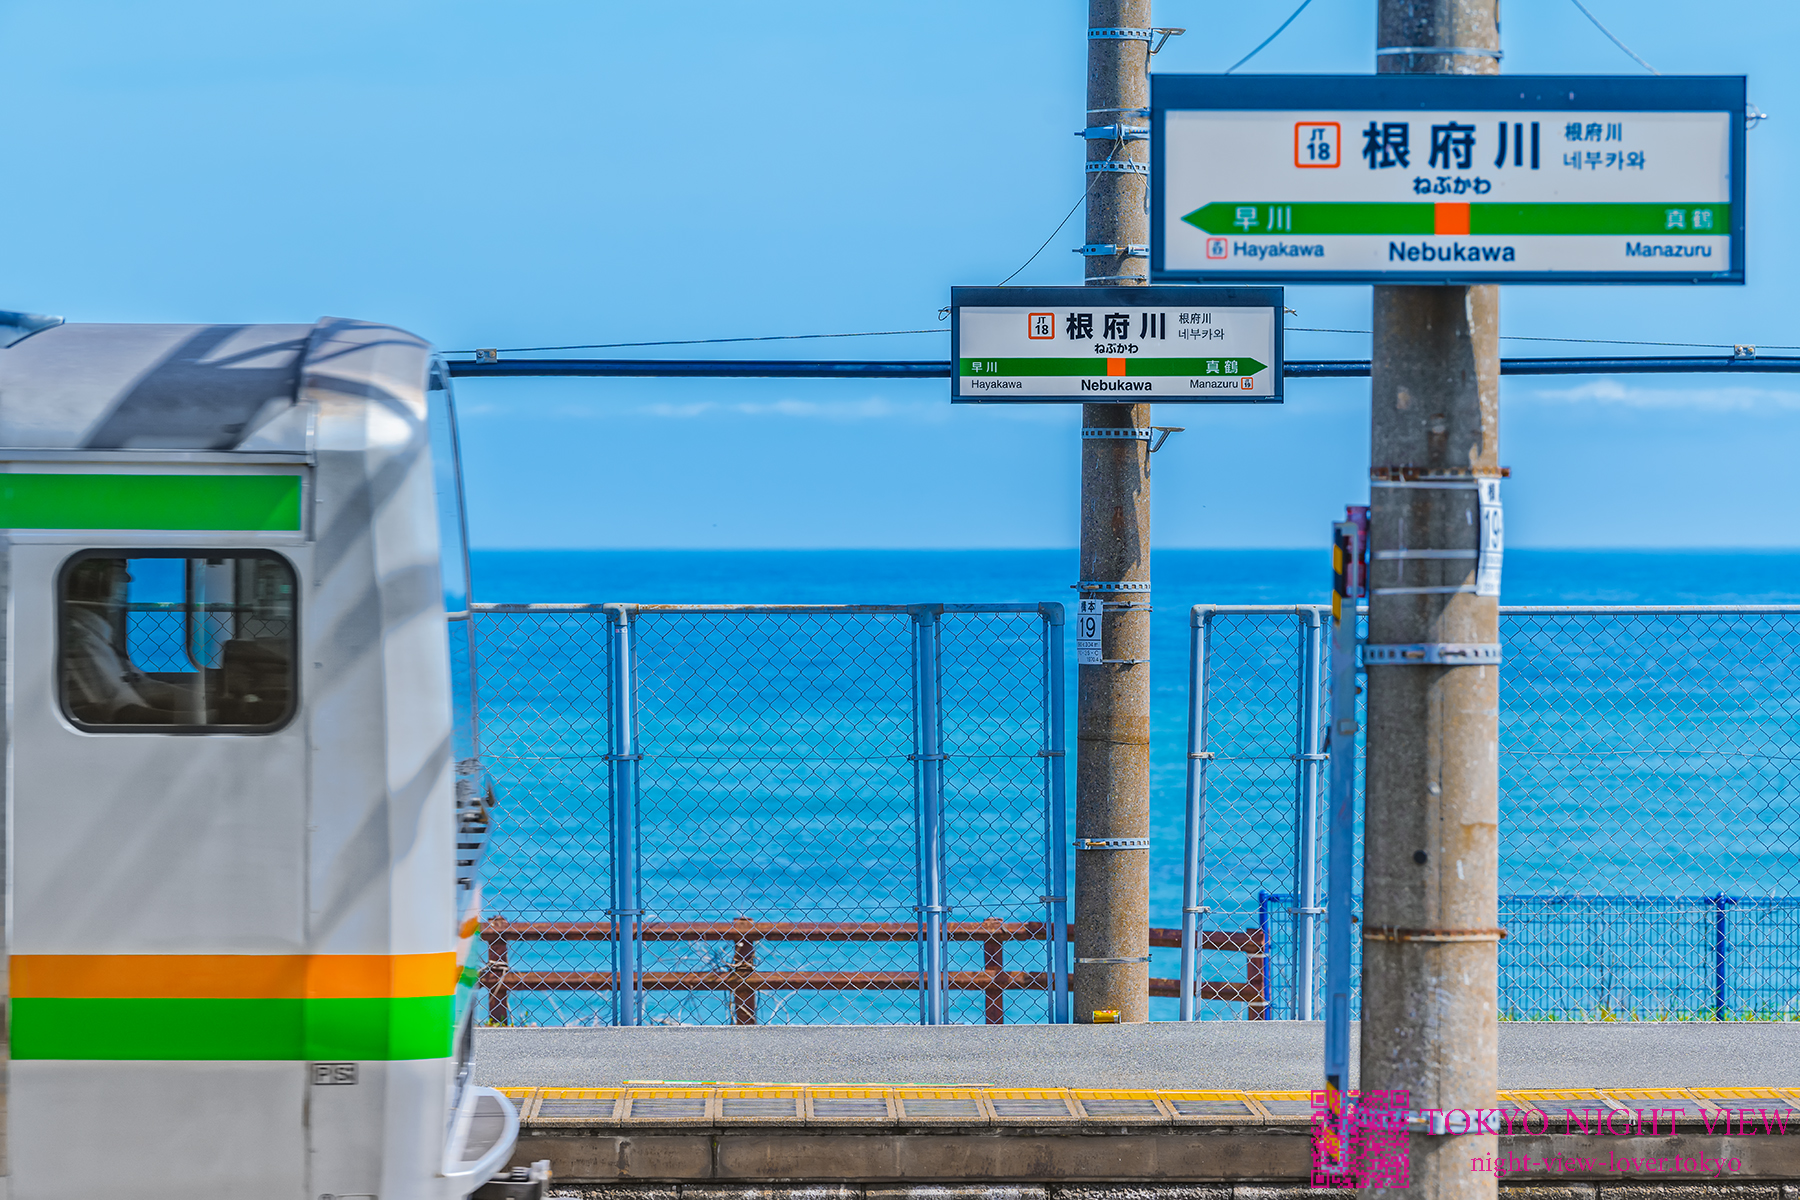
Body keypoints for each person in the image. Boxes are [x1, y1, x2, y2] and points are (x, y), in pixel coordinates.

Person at [62, 558, 190, 723]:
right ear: (93, 580)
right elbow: (122, 713)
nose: (128, 579)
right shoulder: (79, 638)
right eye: (118, 571)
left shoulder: (98, 634)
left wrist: (208, 699)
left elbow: (144, 686)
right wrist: (206, 719)